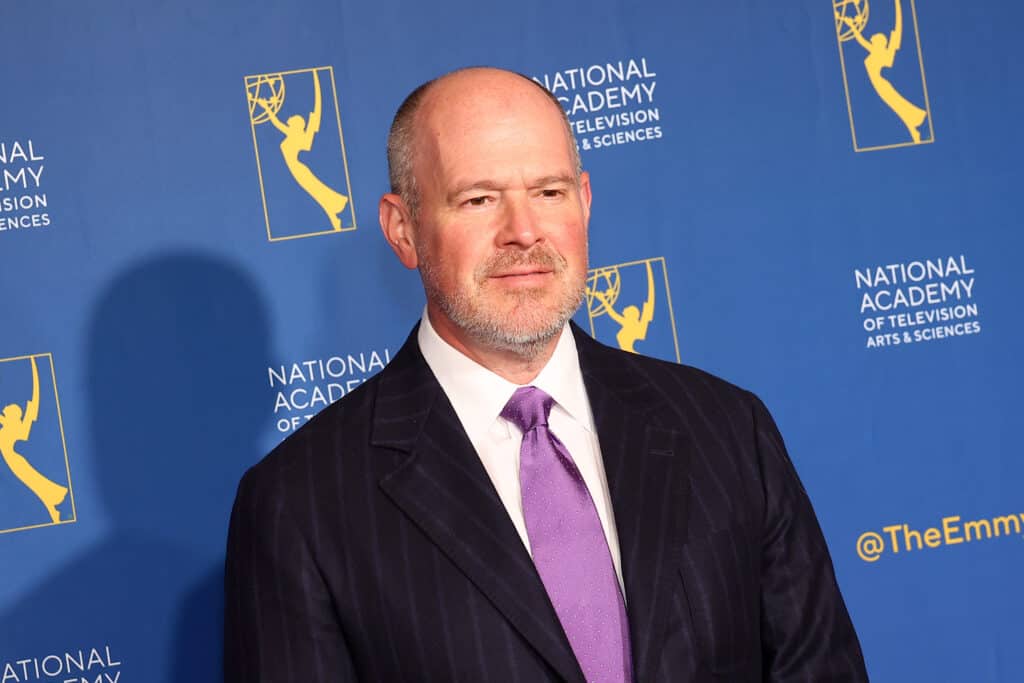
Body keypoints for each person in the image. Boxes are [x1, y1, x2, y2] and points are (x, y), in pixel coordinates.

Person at [224, 66, 868, 682]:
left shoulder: (728, 431)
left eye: (549, 192)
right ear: (404, 229)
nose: (524, 231)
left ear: (584, 203)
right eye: (478, 199)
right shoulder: (300, 504)